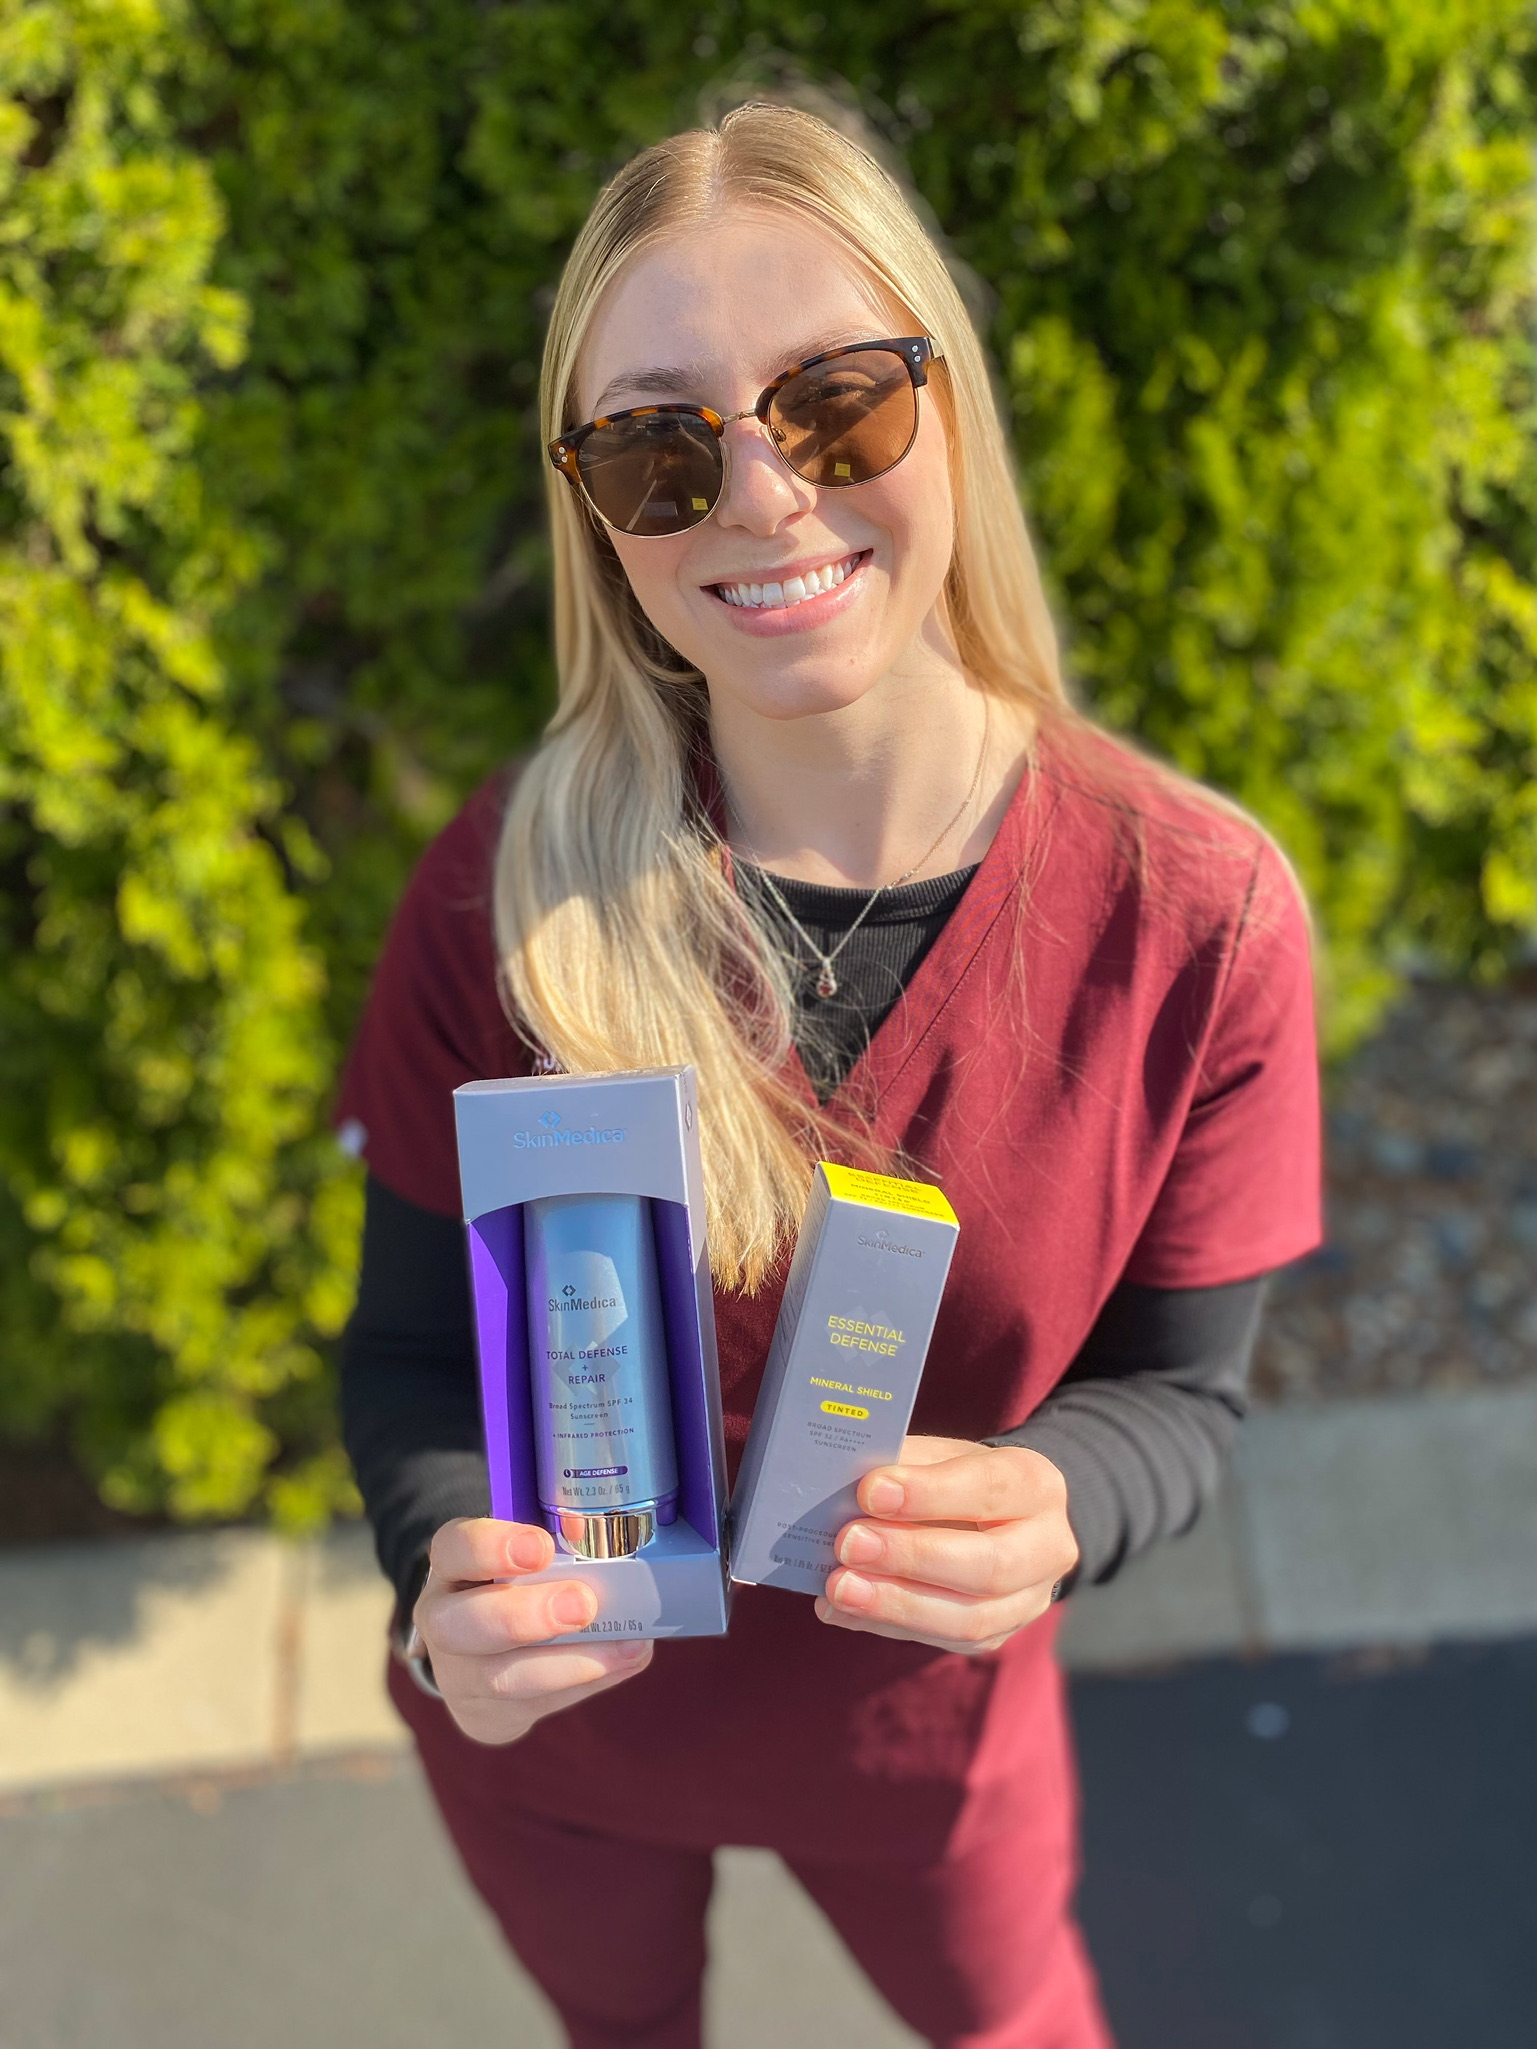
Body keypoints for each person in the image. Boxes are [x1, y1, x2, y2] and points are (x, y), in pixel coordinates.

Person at [336, 102, 1320, 2049]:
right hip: (559, 1748)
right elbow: (406, 1357)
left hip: (923, 1746)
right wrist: (447, 1555)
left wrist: (1058, 1497)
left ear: (944, 405)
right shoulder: (500, 891)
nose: (762, 496)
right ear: (593, 509)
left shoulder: (1194, 913)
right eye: (655, 444)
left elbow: (1179, 1396)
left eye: (838, 399)